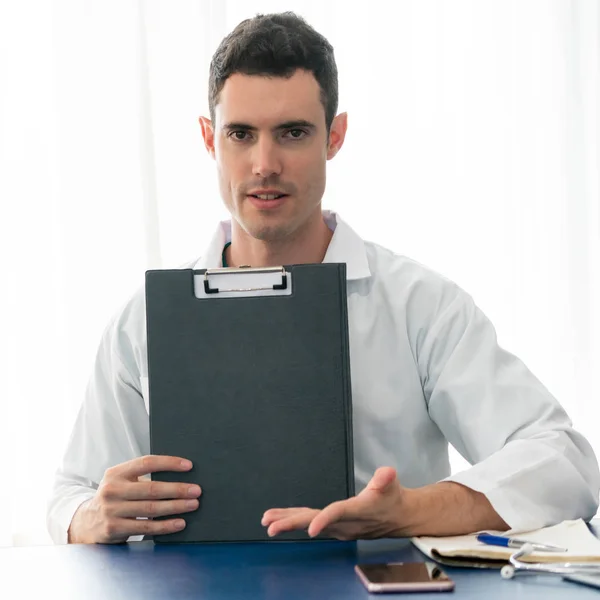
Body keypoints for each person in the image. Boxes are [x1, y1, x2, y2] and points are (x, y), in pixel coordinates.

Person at [47, 11, 599, 545]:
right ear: (209, 139)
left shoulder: (420, 306)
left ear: (334, 137)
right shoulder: (143, 320)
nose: (264, 163)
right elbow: (68, 496)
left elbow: (564, 461)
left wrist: (412, 511)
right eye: (240, 134)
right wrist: (93, 515)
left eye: (292, 132)